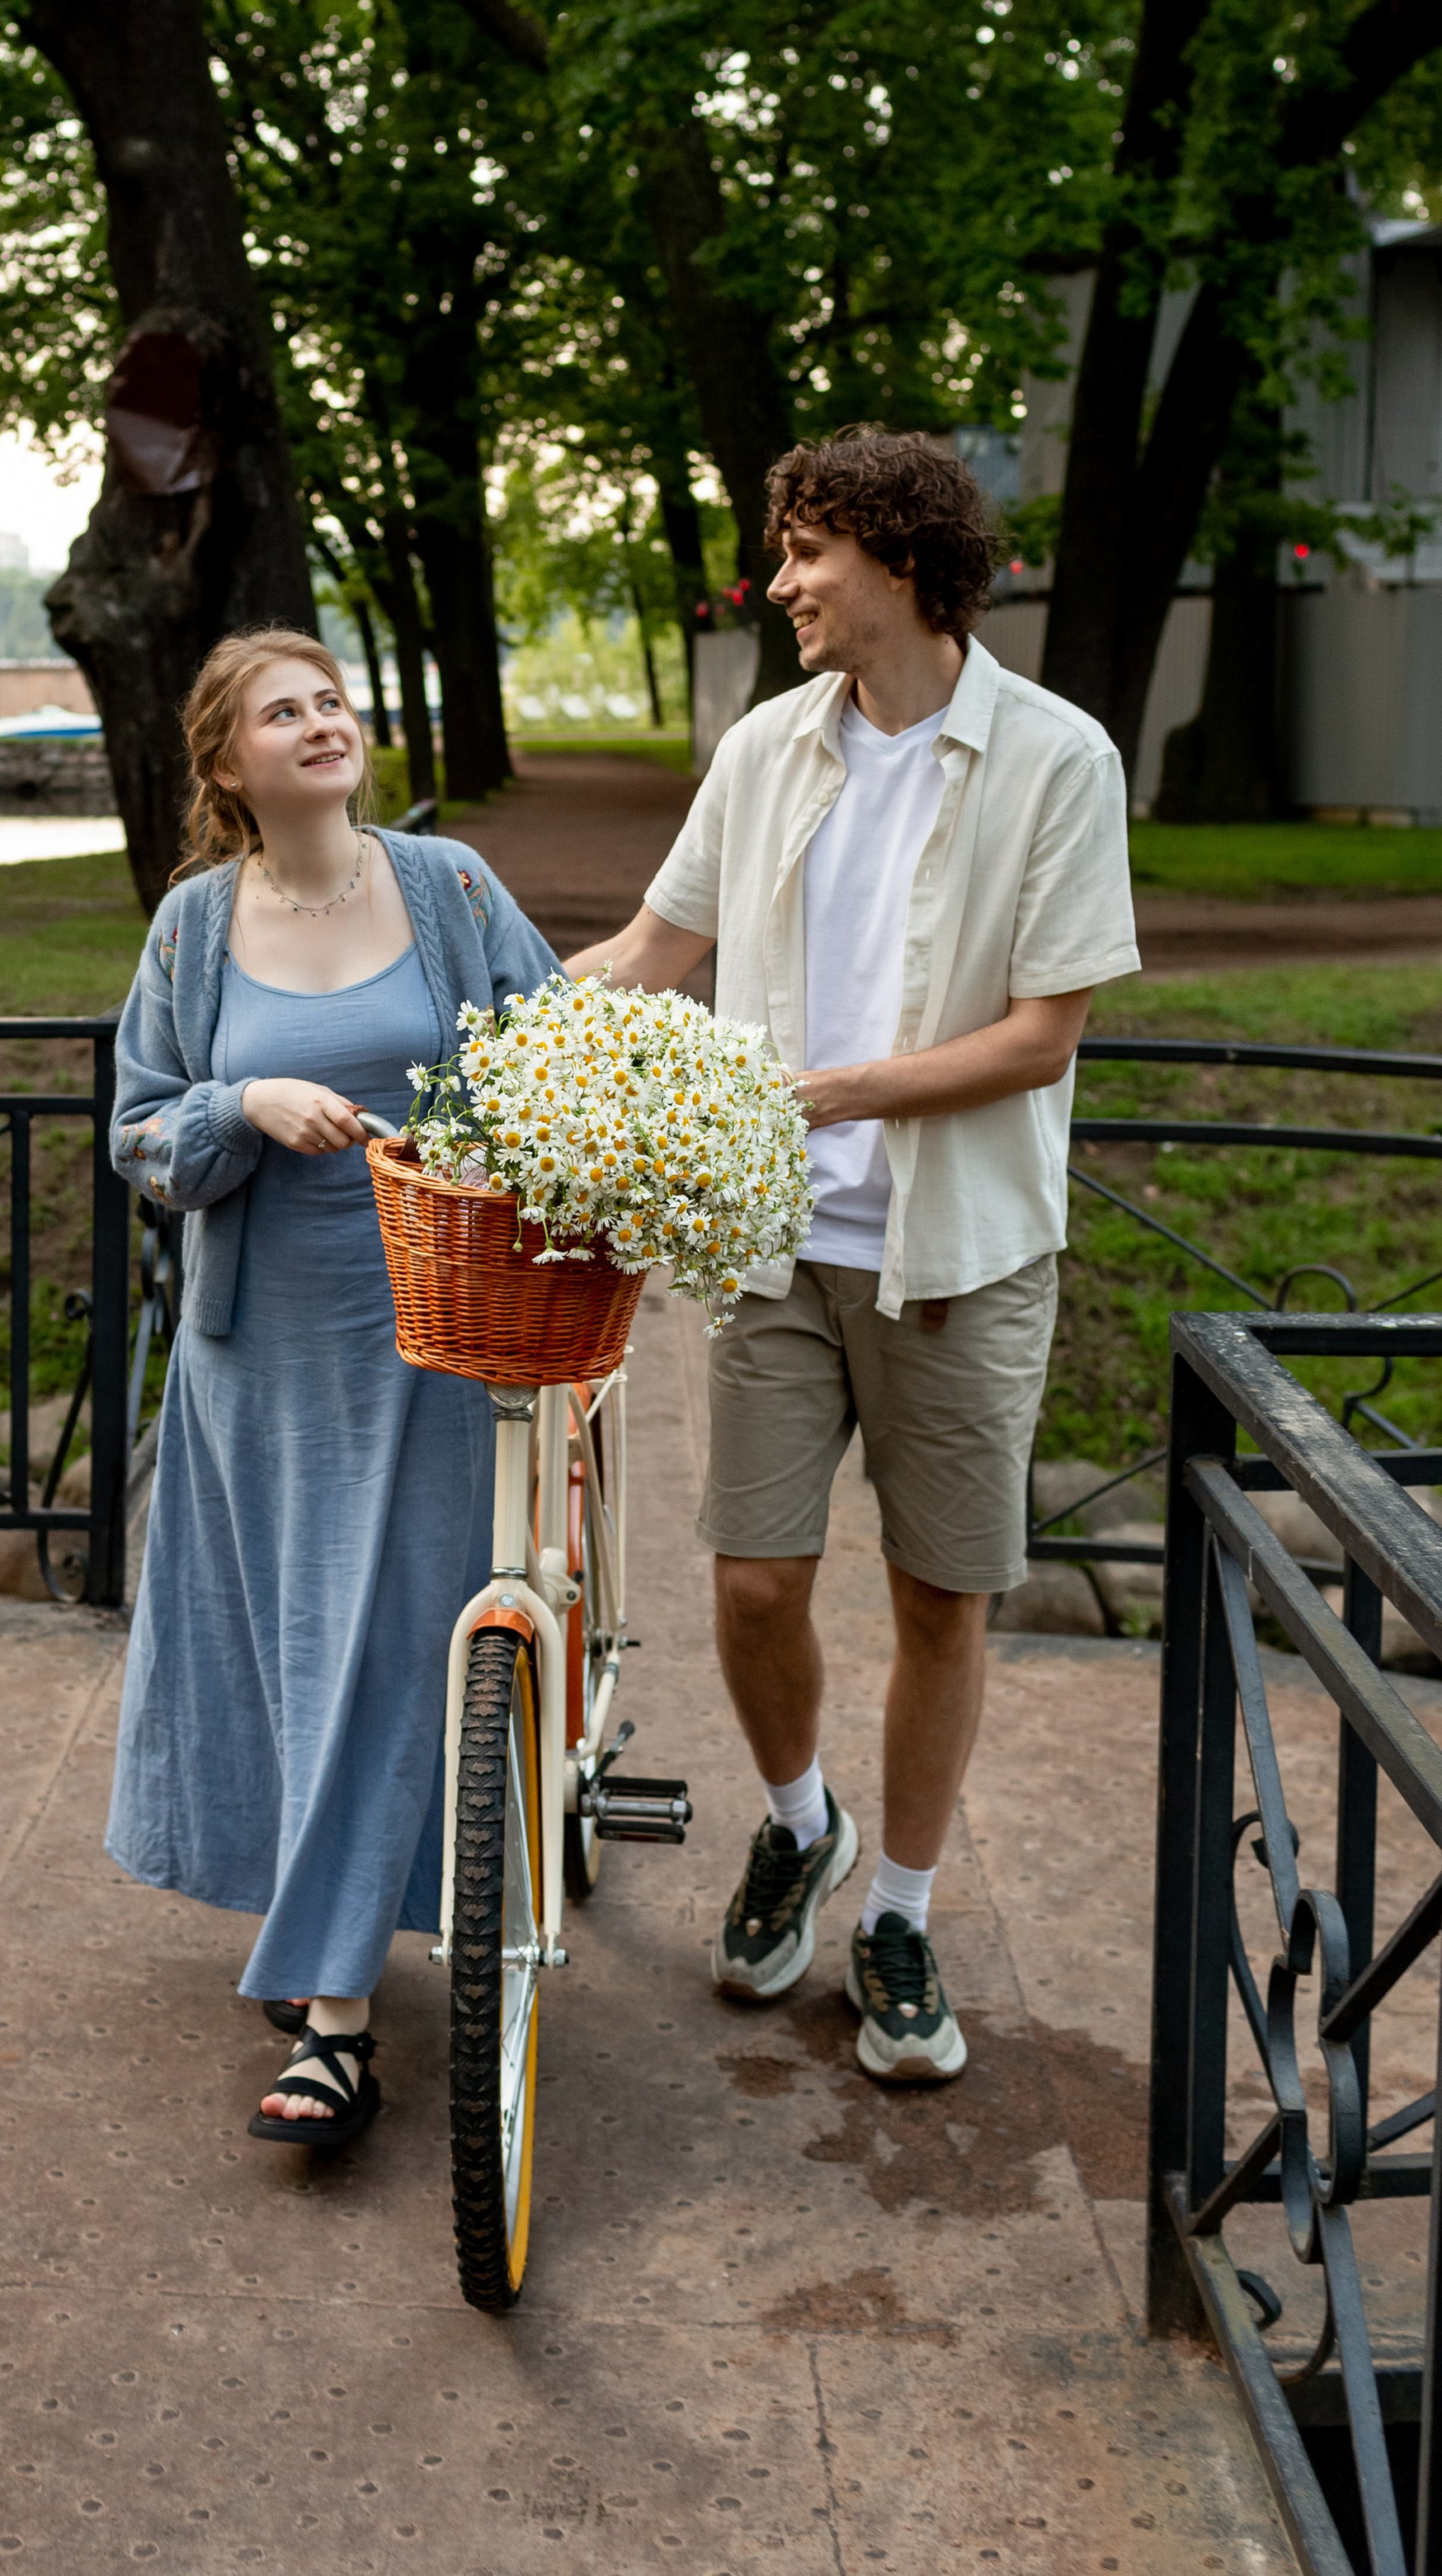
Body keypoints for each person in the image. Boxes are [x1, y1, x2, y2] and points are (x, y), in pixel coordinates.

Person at [568, 426, 1138, 2085]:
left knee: (938, 1600)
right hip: (770, 1245)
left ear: (897, 558)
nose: (782, 583)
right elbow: (655, 946)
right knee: (749, 1580)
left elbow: (1040, 1038)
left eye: (806, 551)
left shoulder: (1053, 760)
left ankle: (896, 1909)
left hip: (954, 1256)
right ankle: (799, 1824)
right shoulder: (763, 748)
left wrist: (834, 1090)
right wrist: (495, 1043)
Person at [106, 628, 554, 2147]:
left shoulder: (450, 889)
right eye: (277, 714)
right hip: (255, 1346)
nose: (317, 725)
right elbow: (141, 1138)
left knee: (379, 1638)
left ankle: (338, 2019)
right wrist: (243, 1100)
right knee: (285, 1639)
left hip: (427, 1329)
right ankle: (317, 1919)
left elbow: (563, 1052)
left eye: (330, 702)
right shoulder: (188, 928)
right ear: (228, 764)